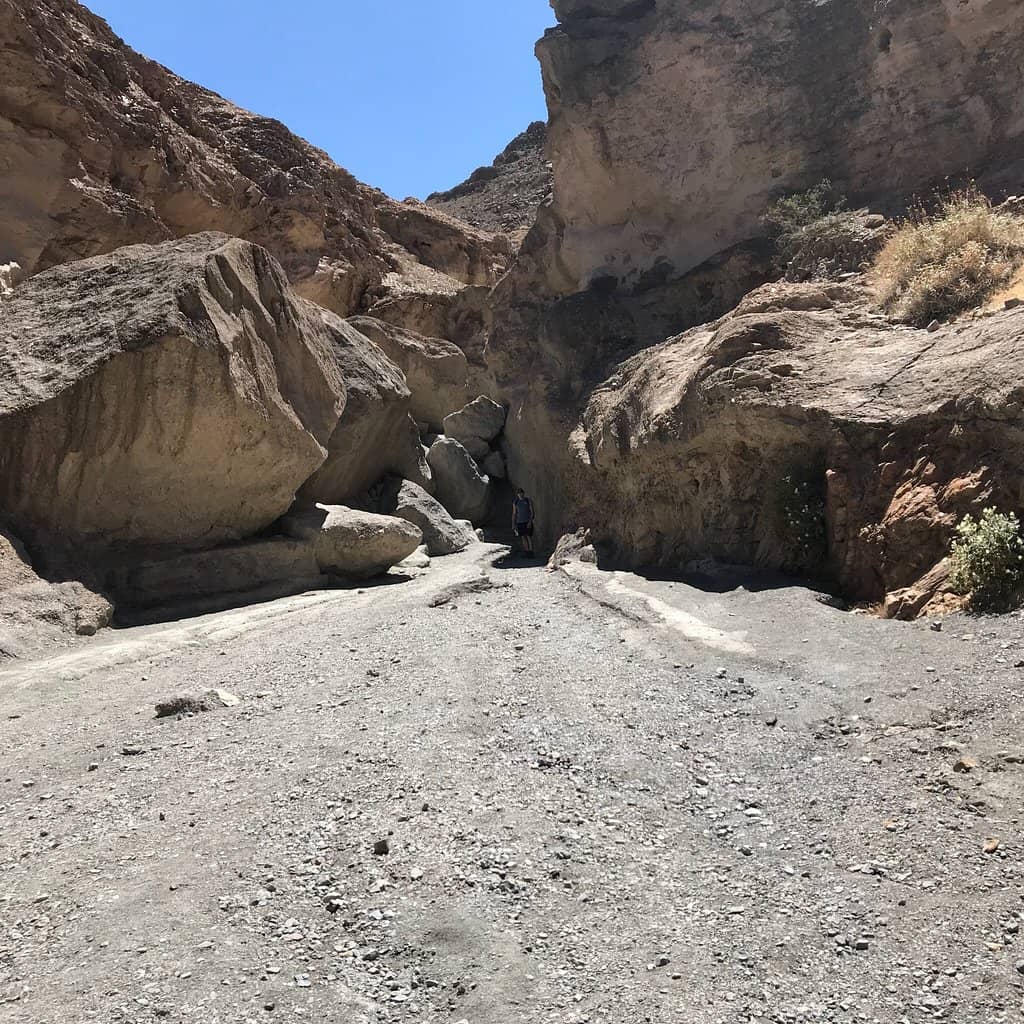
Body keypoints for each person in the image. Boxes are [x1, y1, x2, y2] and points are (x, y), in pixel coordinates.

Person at [512, 488, 535, 555]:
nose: (520, 494)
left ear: (523, 493)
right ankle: (527, 551)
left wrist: (530, 521)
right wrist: (513, 523)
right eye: (519, 493)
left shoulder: (528, 500)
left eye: (521, 493)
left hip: (527, 521)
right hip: (520, 522)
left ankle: (531, 551)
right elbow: (514, 513)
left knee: (529, 536)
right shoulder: (515, 502)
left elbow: (532, 512)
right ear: (517, 494)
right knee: (523, 537)